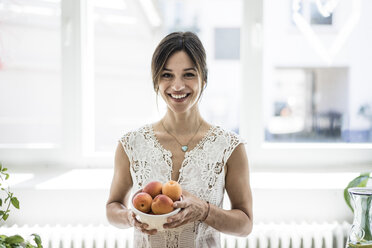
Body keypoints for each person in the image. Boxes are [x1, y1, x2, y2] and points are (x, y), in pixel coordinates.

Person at [106, 31, 253, 248]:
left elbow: (245, 224)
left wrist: (204, 211)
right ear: (156, 80)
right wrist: (129, 217)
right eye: (167, 75)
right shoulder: (131, 144)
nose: (177, 86)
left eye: (188, 74)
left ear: (204, 78)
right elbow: (112, 207)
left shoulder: (230, 147)